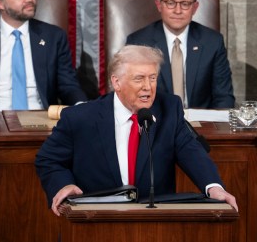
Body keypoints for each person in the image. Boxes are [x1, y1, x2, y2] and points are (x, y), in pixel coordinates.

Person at [35, 44, 238, 214]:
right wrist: (63, 185)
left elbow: (191, 151)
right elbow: (49, 159)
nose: (148, 87)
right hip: (95, 221)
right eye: (139, 79)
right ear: (117, 82)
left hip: (152, 223)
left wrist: (213, 187)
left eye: (153, 78)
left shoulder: (169, 109)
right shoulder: (80, 118)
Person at [124, 0, 235, 109]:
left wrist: (215, 126)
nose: (178, 11)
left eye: (185, 4)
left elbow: (223, 97)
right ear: (159, 5)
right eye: (171, 3)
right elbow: (131, 94)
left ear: (194, 7)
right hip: (156, 123)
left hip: (202, 124)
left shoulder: (212, 42)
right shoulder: (139, 42)